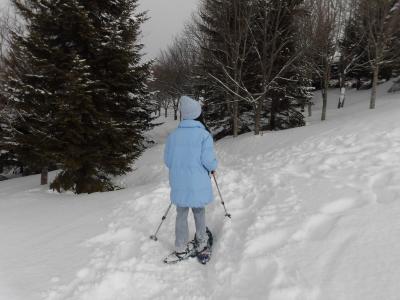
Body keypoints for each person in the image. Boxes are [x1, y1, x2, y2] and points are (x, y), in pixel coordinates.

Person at [163, 95, 218, 263]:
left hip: (179, 182)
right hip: (197, 182)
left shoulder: (173, 136)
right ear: (197, 114)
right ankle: (201, 244)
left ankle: (180, 247)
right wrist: (213, 167)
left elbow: (168, 160)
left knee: (181, 213)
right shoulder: (203, 135)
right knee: (199, 211)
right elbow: (208, 161)